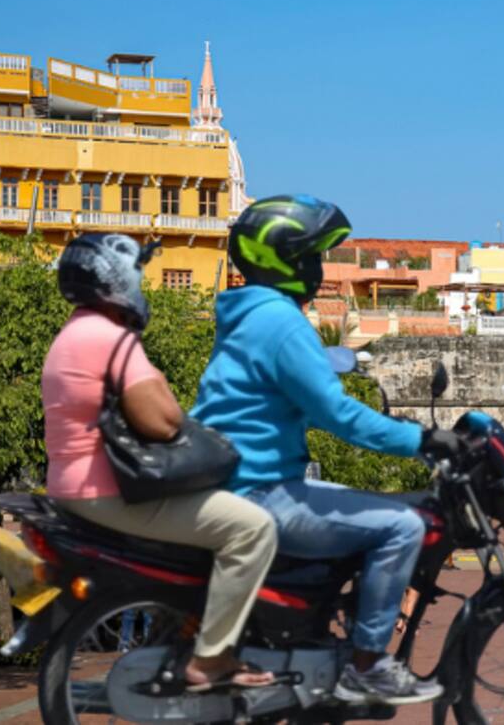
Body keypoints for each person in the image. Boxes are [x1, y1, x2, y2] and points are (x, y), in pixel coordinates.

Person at [193, 195, 454, 705]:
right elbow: (336, 414)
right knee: (402, 526)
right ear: (284, 260)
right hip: (261, 489)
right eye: (310, 256)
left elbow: (292, 390)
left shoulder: (251, 314)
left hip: (240, 480)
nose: (318, 269)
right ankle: (367, 664)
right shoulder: (281, 322)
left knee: (358, 504)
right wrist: (420, 440)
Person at [42, 234, 278, 691]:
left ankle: (184, 630)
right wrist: (160, 382)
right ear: (116, 278)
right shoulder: (111, 339)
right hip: (109, 491)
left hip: (72, 487)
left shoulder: (72, 334)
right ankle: (210, 659)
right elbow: (164, 422)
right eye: (138, 273)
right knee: (252, 528)